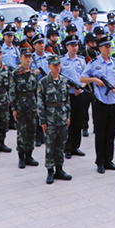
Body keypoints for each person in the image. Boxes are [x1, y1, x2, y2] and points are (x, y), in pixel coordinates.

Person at [81, 36, 115, 174]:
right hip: (100, 102)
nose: (108, 49)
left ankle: (109, 160)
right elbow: (83, 78)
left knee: (111, 133)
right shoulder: (94, 63)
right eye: (105, 46)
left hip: (113, 100)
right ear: (100, 48)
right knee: (100, 133)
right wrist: (95, 80)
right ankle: (100, 162)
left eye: (109, 46)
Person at [38, 54, 72, 184]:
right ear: (49, 67)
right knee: (50, 146)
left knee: (61, 144)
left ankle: (60, 169)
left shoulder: (63, 80)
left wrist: (68, 116)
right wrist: (43, 120)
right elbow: (40, 103)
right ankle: (50, 171)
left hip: (62, 117)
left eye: (59, 65)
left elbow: (67, 100)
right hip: (50, 118)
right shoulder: (44, 82)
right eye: (54, 65)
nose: (57, 67)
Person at [11, 48, 40, 169]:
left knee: (32, 132)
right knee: (22, 133)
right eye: (25, 56)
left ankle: (29, 155)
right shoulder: (16, 73)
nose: (28, 59)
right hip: (21, 106)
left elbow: (37, 91)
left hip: (32, 106)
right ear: (21, 58)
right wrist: (14, 108)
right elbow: (12, 92)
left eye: (30, 56)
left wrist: (38, 106)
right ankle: (21, 157)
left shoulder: (34, 73)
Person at [60, 35, 87, 159]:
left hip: (80, 94)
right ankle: (67, 147)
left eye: (76, 45)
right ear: (67, 47)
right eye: (72, 45)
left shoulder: (81, 60)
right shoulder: (61, 61)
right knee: (68, 122)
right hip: (68, 95)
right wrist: (71, 88)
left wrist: (81, 87)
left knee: (78, 121)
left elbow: (86, 76)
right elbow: (59, 78)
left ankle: (76, 146)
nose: (75, 47)